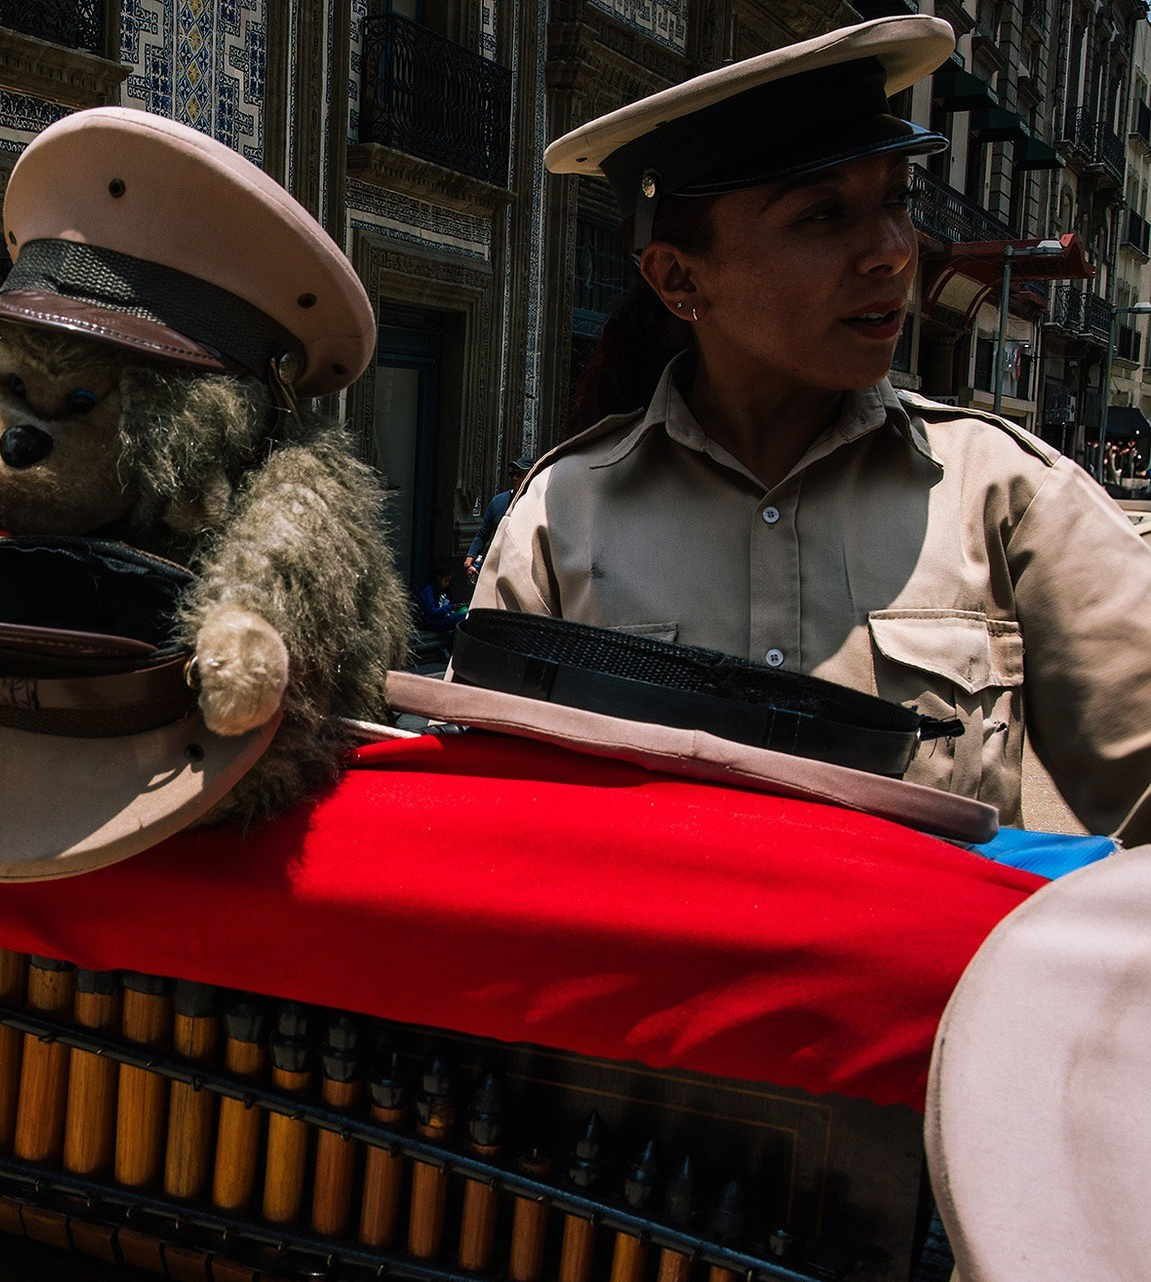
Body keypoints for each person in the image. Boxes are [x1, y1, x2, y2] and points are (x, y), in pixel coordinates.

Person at [473, 14, 1151, 842]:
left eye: (896, 201)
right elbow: (486, 827)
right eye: (822, 217)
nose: (893, 252)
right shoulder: (561, 517)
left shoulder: (1006, 502)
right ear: (678, 275)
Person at [414, 562, 468, 635]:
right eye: (446, 581)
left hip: (444, 619)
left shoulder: (445, 592)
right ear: (439, 578)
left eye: (449, 581)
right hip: (432, 621)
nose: (447, 584)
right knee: (463, 618)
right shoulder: (428, 591)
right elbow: (431, 612)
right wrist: (451, 607)